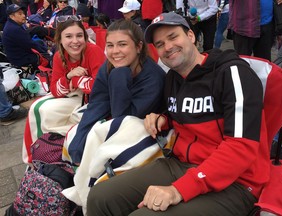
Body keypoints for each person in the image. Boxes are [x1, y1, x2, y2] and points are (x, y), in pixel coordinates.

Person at [86, 12, 270, 216]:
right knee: (99, 196)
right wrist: (162, 118)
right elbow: (177, 113)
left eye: (173, 37)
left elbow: (241, 148)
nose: (168, 47)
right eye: (160, 43)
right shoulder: (173, 78)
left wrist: (178, 190)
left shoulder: (232, 73)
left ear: (190, 35)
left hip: (237, 181)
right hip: (180, 164)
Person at [67, 19, 166, 165]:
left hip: (145, 132)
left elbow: (124, 120)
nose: (115, 51)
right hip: (116, 121)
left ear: (139, 47)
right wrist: (78, 146)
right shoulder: (108, 66)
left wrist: (119, 75)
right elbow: (97, 104)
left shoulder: (153, 78)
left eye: (122, 44)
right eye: (110, 46)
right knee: (76, 140)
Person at [22, 17, 106, 164]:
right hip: (73, 94)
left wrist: (73, 80)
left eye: (79, 36)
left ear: (85, 37)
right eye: (68, 36)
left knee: (46, 111)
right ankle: (37, 155)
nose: (75, 41)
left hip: (93, 99)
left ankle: (53, 151)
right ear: (60, 39)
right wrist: (69, 76)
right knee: (37, 109)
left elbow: (99, 86)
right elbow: (54, 90)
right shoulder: (58, 56)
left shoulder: (93, 51)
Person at [2, 4, 49, 68]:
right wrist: (47, 52)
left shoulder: (10, 25)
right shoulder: (15, 29)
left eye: (23, 13)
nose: (24, 16)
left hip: (16, 56)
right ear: (12, 16)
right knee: (50, 59)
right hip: (21, 60)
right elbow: (31, 45)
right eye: (20, 14)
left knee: (39, 41)